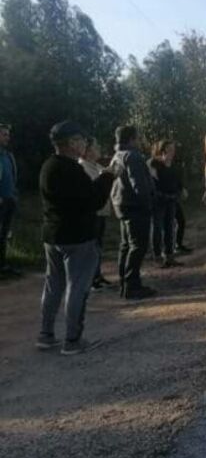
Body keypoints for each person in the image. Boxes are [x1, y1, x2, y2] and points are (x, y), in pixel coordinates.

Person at [37, 121, 117, 355]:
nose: (85, 144)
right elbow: (93, 200)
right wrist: (107, 177)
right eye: (82, 140)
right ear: (71, 143)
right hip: (77, 237)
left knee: (53, 286)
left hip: (53, 236)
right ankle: (73, 339)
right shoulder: (71, 169)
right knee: (77, 286)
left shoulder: (48, 166)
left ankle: (46, 334)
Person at [111, 125, 157, 299]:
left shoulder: (117, 156)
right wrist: (148, 203)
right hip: (135, 206)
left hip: (121, 204)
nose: (139, 141)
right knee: (138, 246)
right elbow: (139, 185)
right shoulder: (133, 156)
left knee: (126, 246)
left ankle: (124, 283)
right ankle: (132, 286)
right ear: (131, 139)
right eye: (138, 138)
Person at [78, 137, 115, 289]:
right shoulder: (83, 168)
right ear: (87, 151)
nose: (99, 148)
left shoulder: (96, 165)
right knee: (92, 247)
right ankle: (91, 279)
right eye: (96, 146)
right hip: (93, 213)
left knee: (98, 246)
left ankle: (97, 275)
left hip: (101, 212)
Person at [149, 140, 183, 268]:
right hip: (158, 201)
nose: (172, 152)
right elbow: (152, 183)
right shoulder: (154, 164)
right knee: (157, 228)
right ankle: (157, 256)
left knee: (170, 227)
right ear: (162, 150)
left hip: (171, 200)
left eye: (173, 149)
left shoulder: (173, 165)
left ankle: (169, 255)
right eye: (169, 149)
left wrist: (180, 190)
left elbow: (178, 180)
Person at [0, 122, 18, 275]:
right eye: (4, 134)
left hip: (9, 199)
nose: (7, 137)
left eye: (8, 134)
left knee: (4, 233)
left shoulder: (7, 155)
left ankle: (2, 264)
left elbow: (12, 175)